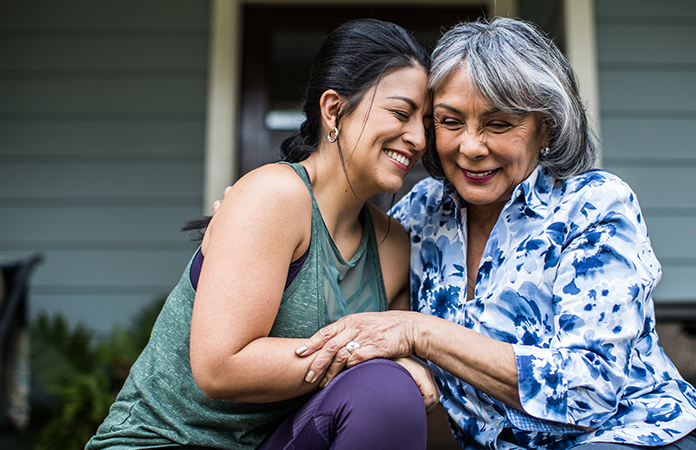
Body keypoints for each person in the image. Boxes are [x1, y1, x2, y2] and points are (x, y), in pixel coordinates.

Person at [293, 17, 696, 450]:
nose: (471, 147)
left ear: (546, 128)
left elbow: (587, 391)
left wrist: (419, 333)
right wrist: (264, 216)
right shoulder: (421, 213)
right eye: (449, 121)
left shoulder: (593, 205)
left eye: (499, 124)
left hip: (639, 436)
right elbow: (335, 275)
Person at [85, 19, 437, 450]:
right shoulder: (275, 196)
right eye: (401, 113)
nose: (419, 138)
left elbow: (390, 379)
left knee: (387, 392)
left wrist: (398, 364)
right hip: (165, 441)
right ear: (334, 111)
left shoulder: (394, 246)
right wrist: (369, 357)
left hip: (275, 441)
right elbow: (219, 367)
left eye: (427, 120)